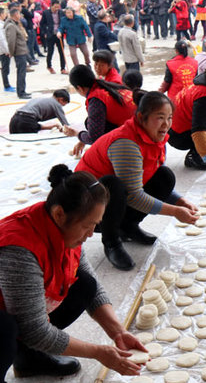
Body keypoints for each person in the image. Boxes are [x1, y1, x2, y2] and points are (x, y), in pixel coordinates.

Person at [0, 164, 148, 383]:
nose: (91, 234)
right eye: (88, 225)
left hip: (5, 310)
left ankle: (28, 359)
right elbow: (35, 330)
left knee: (84, 285)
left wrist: (118, 332)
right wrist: (99, 353)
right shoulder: (17, 250)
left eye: (96, 225)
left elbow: (91, 285)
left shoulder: (63, 227)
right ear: (59, 214)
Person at [76, 91, 198, 269]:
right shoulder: (126, 143)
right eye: (160, 117)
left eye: (169, 117)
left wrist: (181, 201)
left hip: (116, 197)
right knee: (113, 185)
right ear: (142, 117)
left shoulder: (153, 136)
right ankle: (111, 242)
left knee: (164, 176)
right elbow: (134, 195)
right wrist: (175, 211)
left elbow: (148, 175)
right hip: (88, 205)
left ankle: (128, 226)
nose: (166, 124)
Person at [67, 65, 136, 157]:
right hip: (142, 125)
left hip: (136, 134)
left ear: (79, 88)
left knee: (90, 123)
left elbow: (94, 138)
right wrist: (82, 141)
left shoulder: (96, 99)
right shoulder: (107, 86)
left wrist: (76, 133)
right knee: (91, 122)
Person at [4, 5, 31, 99]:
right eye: (19, 14)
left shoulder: (15, 23)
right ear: (15, 14)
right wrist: (11, 52)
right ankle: (21, 92)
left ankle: (23, 90)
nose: (20, 16)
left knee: (22, 72)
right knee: (21, 72)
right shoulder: (11, 26)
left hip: (21, 51)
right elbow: (11, 41)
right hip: (19, 52)